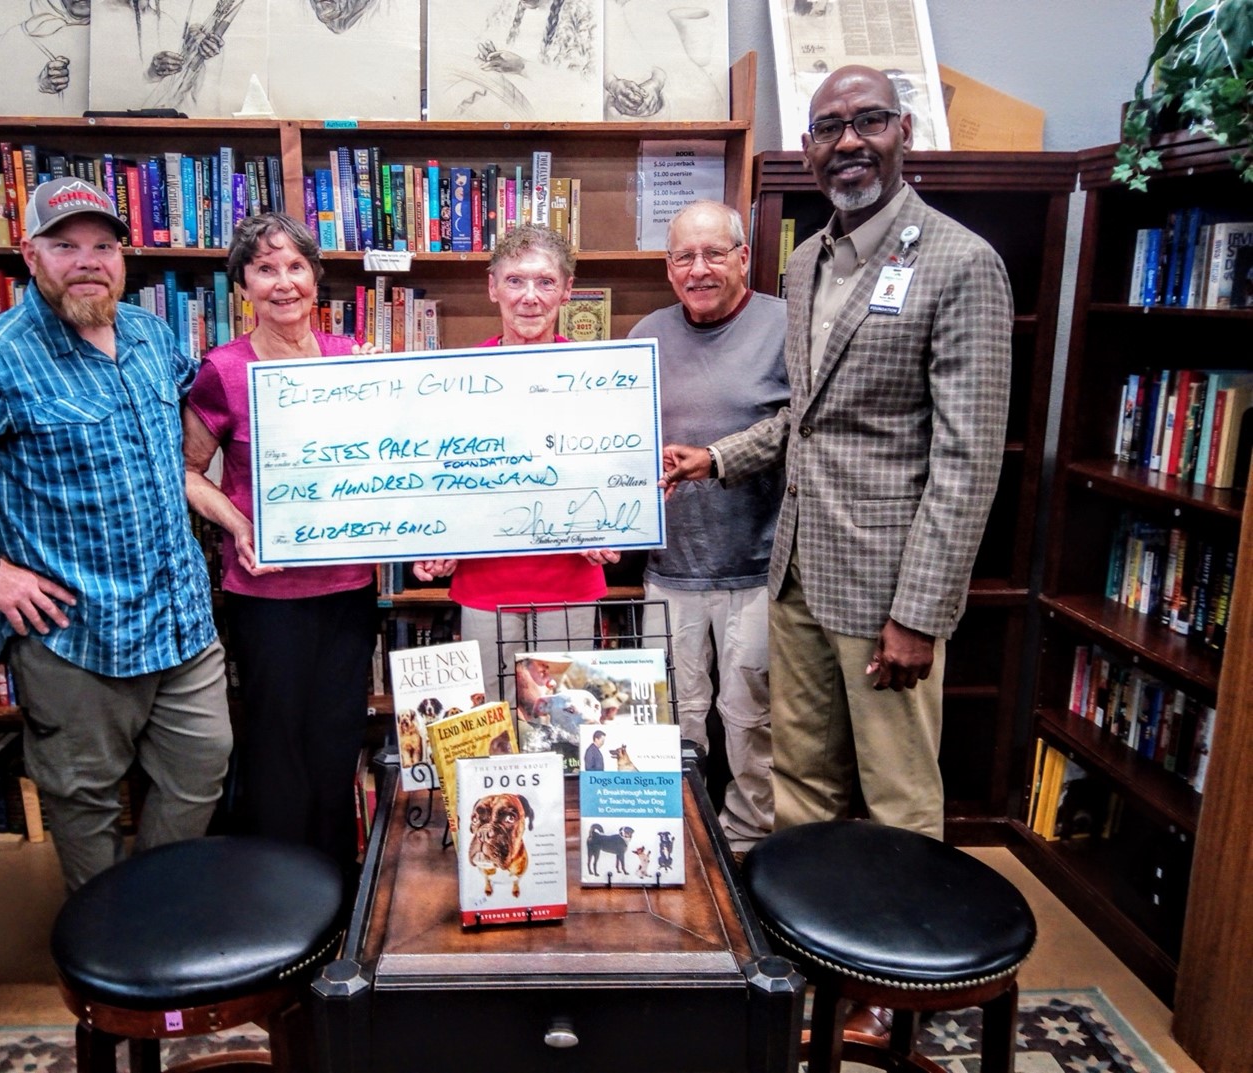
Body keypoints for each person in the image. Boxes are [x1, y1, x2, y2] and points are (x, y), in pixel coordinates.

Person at [663, 65, 1011, 846]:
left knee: (897, 792)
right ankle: (809, 947)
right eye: (829, 128)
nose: (849, 141)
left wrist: (919, 614)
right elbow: (804, 421)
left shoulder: (961, 263)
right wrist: (714, 459)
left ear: (904, 133)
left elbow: (968, 460)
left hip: (886, 591)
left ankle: (895, 966)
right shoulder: (806, 262)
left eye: (870, 121)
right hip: (794, 582)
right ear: (810, 148)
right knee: (799, 785)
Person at [0, 177, 232, 893]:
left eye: (102, 245)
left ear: (123, 256)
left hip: (182, 621)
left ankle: (150, 905)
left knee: (202, 767)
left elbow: (203, 423)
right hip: (76, 633)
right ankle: (106, 942)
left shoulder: (151, 334)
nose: (87, 260)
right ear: (30, 254)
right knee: (84, 800)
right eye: (66, 245)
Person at [182, 212, 377, 873]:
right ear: (243, 284)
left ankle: (335, 890)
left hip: (349, 588)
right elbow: (185, 470)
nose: (283, 281)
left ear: (317, 279)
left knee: (336, 740)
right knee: (276, 748)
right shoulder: (223, 370)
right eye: (265, 268)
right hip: (267, 595)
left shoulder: (355, 361)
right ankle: (279, 894)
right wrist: (237, 524)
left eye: (295, 266)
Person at [632, 199, 789, 855]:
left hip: (757, 567)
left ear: (743, 256)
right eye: (683, 257)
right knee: (670, 715)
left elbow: (798, 427)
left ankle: (750, 843)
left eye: (713, 253)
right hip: (669, 569)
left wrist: (716, 460)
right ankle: (680, 841)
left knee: (750, 718)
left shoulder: (785, 325)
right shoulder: (646, 332)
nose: (698, 269)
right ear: (668, 267)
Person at [414, 225, 619, 706]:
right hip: (485, 583)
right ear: (492, 287)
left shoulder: (602, 378)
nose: (530, 298)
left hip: (570, 581)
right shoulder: (456, 380)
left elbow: (618, 471)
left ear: (567, 290)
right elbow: (439, 477)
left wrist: (616, 526)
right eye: (515, 281)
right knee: (490, 726)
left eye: (546, 282)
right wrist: (435, 540)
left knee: (565, 727)